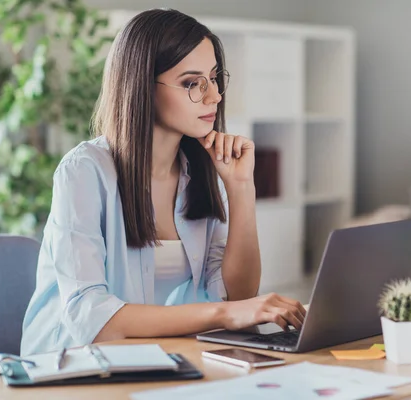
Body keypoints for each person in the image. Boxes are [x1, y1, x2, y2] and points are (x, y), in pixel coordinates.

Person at [20, 8, 306, 356]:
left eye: (214, 78)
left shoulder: (201, 173)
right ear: (142, 86)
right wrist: (223, 313)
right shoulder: (83, 172)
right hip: (71, 368)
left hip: (162, 357)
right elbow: (93, 319)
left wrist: (241, 188)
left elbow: (239, 298)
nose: (213, 96)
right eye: (191, 83)